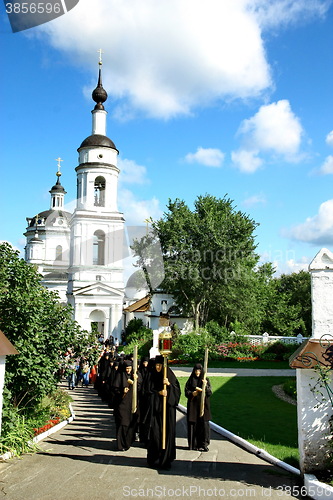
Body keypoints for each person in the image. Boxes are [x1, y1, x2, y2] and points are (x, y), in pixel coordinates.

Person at [145, 355, 180, 469]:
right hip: (156, 412)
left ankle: (165, 459)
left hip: (167, 412)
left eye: (160, 365)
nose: (158, 368)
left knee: (167, 434)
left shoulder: (170, 376)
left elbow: (176, 392)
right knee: (155, 435)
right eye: (157, 365)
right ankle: (154, 458)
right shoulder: (151, 376)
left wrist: (169, 386)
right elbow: (147, 392)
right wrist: (159, 393)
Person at [113, 360, 142, 451]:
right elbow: (114, 389)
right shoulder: (120, 376)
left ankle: (127, 443)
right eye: (127, 368)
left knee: (131, 423)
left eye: (129, 368)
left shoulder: (136, 375)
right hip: (122, 404)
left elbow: (140, 388)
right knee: (123, 423)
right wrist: (122, 391)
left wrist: (137, 380)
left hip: (132, 403)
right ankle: (120, 444)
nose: (128, 370)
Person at [185, 363, 212, 452]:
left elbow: (209, 392)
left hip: (203, 405)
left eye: (199, 371)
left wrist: (205, 386)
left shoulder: (205, 380)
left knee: (204, 425)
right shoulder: (190, 380)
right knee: (193, 425)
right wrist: (192, 393)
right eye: (196, 371)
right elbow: (186, 391)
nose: (197, 373)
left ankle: (204, 444)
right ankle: (193, 444)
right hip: (193, 405)